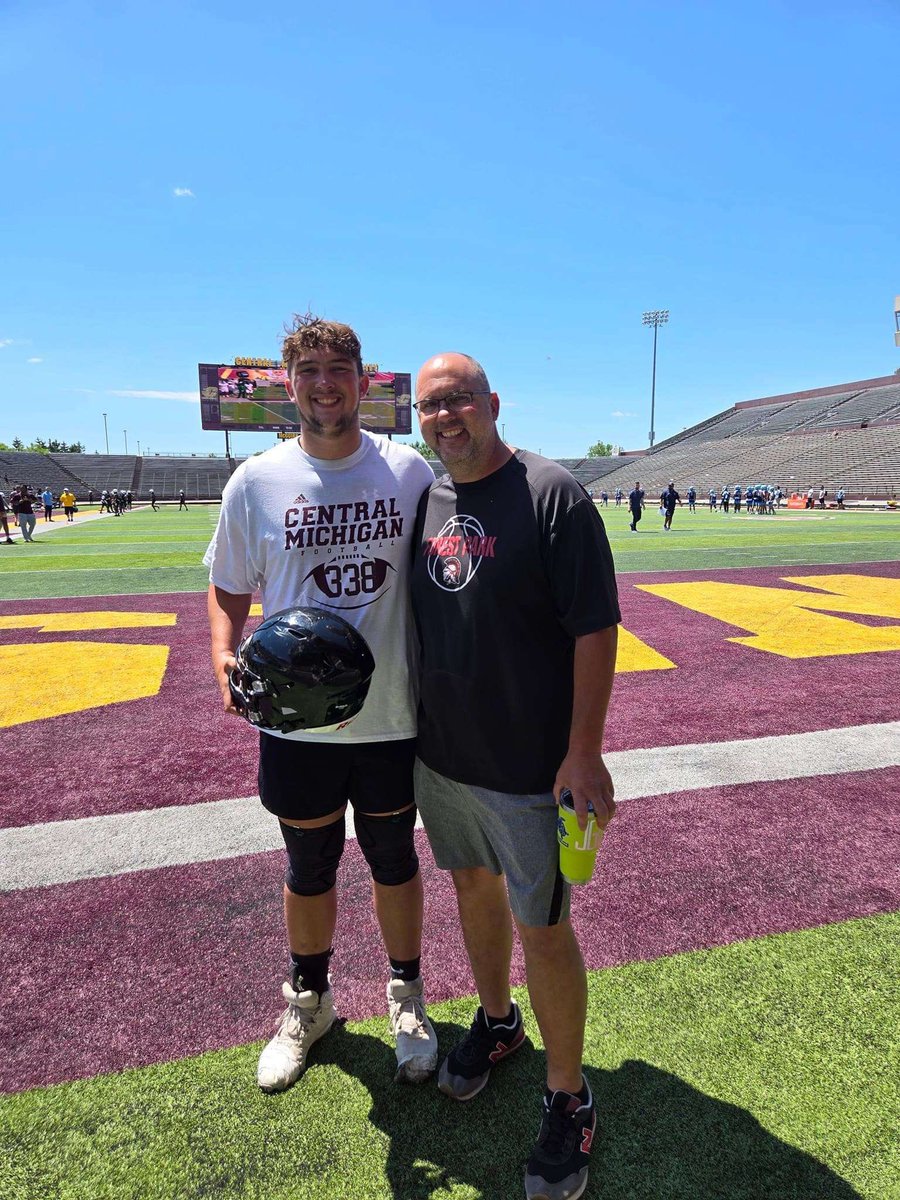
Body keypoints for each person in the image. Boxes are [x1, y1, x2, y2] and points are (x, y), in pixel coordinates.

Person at [204, 314, 438, 1096]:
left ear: (364, 383)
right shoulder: (256, 480)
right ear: (289, 386)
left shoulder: (409, 473)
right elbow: (228, 584)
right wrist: (221, 649)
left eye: (338, 370)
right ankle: (309, 1001)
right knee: (308, 865)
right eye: (309, 372)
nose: (325, 385)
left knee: (395, 858)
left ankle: (406, 998)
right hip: (297, 720)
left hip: (392, 715)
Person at [410, 352, 620, 1200]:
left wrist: (584, 750)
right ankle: (497, 1023)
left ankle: (569, 1096)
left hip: (530, 765)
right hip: (442, 757)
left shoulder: (552, 492)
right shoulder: (425, 498)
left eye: (458, 400)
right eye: (430, 406)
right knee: (472, 890)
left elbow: (596, 628)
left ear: (492, 404)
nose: (444, 416)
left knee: (545, 928)